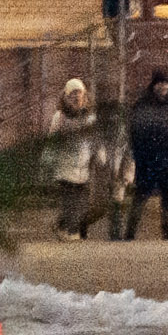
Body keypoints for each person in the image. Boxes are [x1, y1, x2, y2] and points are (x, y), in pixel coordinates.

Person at [125, 71, 168, 241]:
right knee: (141, 195)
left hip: (166, 160)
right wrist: (137, 154)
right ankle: (129, 232)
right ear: (153, 85)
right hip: (146, 160)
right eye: (159, 83)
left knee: (167, 197)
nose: (163, 86)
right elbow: (133, 132)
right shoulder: (142, 106)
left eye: (165, 83)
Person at [43, 71, 104, 239]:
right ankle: (71, 232)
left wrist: (100, 155)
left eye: (79, 93)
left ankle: (63, 226)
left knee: (81, 203)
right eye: (73, 94)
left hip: (82, 167)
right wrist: (48, 159)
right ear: (66, 97)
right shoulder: (60, 117)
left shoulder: (90, 118)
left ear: (84, 96)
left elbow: (95, 140)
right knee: (70, 201)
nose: (76, 97)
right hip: (65, 166)